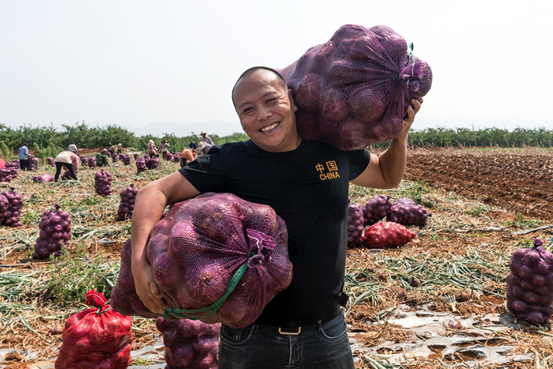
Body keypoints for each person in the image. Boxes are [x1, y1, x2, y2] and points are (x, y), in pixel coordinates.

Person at [130, 67, 422, 369]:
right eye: (248, 110)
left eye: (271, 101)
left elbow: (387, 176)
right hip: (250, 339)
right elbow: (153, 192)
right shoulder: (230, 161)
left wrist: (400, 137)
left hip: (326, 332)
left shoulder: (333, 151)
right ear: (241, 119)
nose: (263, 115)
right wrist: (140, 264)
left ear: (292, 100)